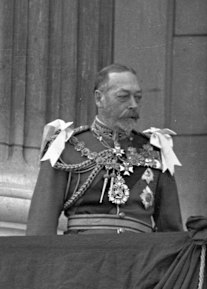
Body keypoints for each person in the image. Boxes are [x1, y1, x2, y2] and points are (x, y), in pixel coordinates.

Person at [26, 63, 183, 235]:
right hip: (82, 256)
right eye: (123, 97)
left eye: (137, 98)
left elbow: (171, 230)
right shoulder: (65, 147)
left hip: (141, 258)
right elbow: (41, 226)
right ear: (99, 99)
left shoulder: (156, 150)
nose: (133, 105)